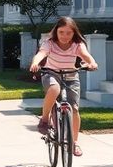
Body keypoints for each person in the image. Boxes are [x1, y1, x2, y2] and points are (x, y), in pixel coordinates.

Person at [29, 17, 98, 157]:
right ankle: (45, 119)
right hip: (51, 74)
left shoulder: (77, 44)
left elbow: (86, 56)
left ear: (74, 33)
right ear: (56, 32)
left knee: (75, 109)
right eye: (61, 32)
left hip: (71, 76)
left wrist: (92, 63)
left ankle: (74, 142)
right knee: (54, 89)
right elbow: (41, 54)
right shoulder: (50, 43)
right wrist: (35, 63)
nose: (65, 36)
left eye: (68, 33)